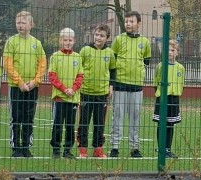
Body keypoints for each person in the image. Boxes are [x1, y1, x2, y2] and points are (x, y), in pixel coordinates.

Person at [3, 10, 46, 158]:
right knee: (16, 117)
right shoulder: (11, 42)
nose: (20, 25)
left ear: (31, 24)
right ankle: (16, 148)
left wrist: (35, 82)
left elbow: (42, 64)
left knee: (29, 118)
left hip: (32, 87)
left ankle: (26, 146)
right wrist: (20, 82)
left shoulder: (37, 43)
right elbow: (8, 64)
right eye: (18, 22)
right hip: (16, 87)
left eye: (23, 22)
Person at [109, 11, 151, 158]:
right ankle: (114, 146)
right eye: (126, 21)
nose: (128, 24)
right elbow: (112, 62)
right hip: (120, 83)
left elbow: (146, 61)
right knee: (117, 116)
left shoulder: (145, 42)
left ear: (138, 24)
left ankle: (134, 147)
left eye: (131, 21)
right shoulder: (118, 40)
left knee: (135, 117)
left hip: (136, 86)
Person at [78, 24, 115, 158]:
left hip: (102, 94)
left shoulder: (109, 53)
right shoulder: (85, 50)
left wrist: (111, 86)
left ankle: (98, 149)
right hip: (86, 93)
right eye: (97, 35)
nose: (98, 38)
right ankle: (82, 149)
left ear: (107, 38)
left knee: (99, 123)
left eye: (102, 36)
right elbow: (78, 70)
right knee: (84, 122)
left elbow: (113, 70)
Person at [48, 28, 83, 159]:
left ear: (74, 41)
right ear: (60, 41)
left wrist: (73, 89)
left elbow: (80, 76)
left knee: (70, 126)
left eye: (70, 40)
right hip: (59, 98)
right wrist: (64, 89)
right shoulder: (55, 56)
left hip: (73, 98)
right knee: (57, 125)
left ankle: (68, 150)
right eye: (65, 40)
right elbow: (52, 76)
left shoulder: (77, 57)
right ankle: (56, 149)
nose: (67, 42)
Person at [152, 40, 184, 158]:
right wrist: (159, 93)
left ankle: (168, 149)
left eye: (172, 50)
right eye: (167, 50)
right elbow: (156, 80)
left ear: (177, 53)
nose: (169, 52)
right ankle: (161, 148)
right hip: (162, 98)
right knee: (161, 124)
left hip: (174, 99)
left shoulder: (181, 68)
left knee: (170, 124)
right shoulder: (161, 66)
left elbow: (181, 83)